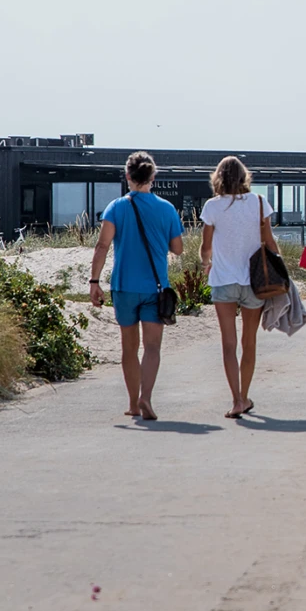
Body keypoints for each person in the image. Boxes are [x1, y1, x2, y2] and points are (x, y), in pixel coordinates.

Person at [89, 151, 183, 421]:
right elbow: (177, 249)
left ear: (128, 176)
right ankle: (146, 397)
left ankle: (132, 403)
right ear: (153, 177)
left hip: (124, 286)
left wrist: (94, 282)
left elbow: (102, 246)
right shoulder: (166, 209)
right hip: (155, 286)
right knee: (152, 347)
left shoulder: (116, 207)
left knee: (128, 348)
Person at [199, 155, 280, 419]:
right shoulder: (258, 203)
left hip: (223, 279)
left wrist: (206, 263)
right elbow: (269, 242)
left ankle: (235, 400)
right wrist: (281, 270)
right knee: (249, 341)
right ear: (244, 177)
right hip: (253, 280)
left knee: (228, 343)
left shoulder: (212, 207)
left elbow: (206, 247)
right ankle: (245, 396)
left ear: (218, 178)